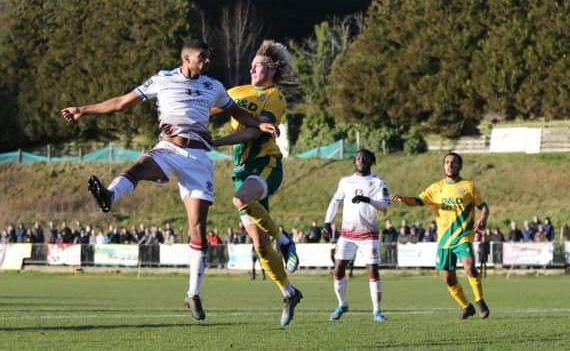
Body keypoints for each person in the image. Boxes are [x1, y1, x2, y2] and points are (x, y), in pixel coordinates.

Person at [61, 39, 278, 321]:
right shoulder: (162, 80)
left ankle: (193, 294)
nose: (206, 62)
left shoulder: (213, 86)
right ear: (186, 59)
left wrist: (258, 123)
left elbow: (236, 112)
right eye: (202, 57)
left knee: (198, 227)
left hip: (199, 159)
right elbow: (121, 103)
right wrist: (83, 110)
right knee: (140, 166)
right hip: (169, 148)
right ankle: (110, 196)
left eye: (208, 58)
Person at [212, 40, 302, 326]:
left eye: (258, 64)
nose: (251, 68)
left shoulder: (275, 97)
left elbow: (252, 133)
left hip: (265, 165)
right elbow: (203, 107)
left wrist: (215, 141)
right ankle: (288, 292)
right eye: (251, 64)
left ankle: (285, 241)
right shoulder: (236, 92)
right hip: (240, 171)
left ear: (272, 69)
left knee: (241, 199)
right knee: (260, 246)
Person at [391, 152, 491, 320]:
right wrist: (403, 199)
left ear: (460, 166)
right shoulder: (436, 188)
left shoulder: (468, 186)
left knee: (469, 266)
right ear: (444, 165)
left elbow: (484, 206)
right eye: (446, 162)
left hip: (463, 236)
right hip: (444, 240)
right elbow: (417, 200)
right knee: (449, 279)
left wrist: (483, 217)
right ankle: (467, 307)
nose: (449, 165)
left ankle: (480, 301)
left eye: (453, 162)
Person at [323, 148, 391, 323]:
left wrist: (368, 200)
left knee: (373, 271)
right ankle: (342, 304)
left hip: (369, 235)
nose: (361, 160)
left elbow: (384, 206)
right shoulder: (345, 181)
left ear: (371, 161)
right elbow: (335, 201)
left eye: (365, 157)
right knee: (338, 269)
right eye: (358, 157)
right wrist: (327, 222)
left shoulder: (378, 182)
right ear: (354, 161)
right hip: (347, 234)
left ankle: (377, 311)